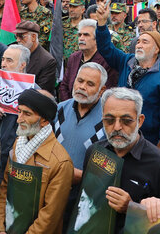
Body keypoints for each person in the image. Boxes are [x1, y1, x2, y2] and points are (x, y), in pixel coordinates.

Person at [85, 88, 160, 233]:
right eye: (109, 120)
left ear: (140, 121)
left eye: (126, 121)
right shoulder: (94, 151)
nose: (117, 127)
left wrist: (132, 208)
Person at [0, 88, 74, 234]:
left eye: (27, 114)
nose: (19, 119)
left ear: (45, 120)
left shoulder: (61, 162)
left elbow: (49, 217)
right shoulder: (19, 143)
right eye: (19, 111)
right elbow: (4, 190)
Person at [95, 2, 160, 144]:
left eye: (145, 42)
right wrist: (102, 25)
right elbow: (106, 48)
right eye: (138, 41)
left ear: (157, 49)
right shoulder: (126, 61)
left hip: (146, 141)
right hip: (118, 134)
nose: (139, 45)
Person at [54, 62, 108, 228]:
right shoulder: (58, 110)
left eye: (90, 84)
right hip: (53, 191)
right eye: (80, 81)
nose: (82, 87)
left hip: (86, 199)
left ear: (102, 91)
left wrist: (81, 175)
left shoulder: (108, 120)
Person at [0, 44, 29, 187]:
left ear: (22, 65)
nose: (3, 64)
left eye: (9, 60)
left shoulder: (33, 91)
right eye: (3, 59)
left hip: (17, 153)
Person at [59, 19, 118, 101]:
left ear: (97, 40)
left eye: (86, 35)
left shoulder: (107, 61)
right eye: (79, 35)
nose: (81, 38)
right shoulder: (73, 57)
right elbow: (64, 86)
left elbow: (107, 92)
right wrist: (70, 106)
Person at [13, 21, 57, 92]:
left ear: (33, 37)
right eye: (16, 36)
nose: (17, 40)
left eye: (21, 36)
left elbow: (42, 92)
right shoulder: (15, 54)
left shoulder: (47, 61)